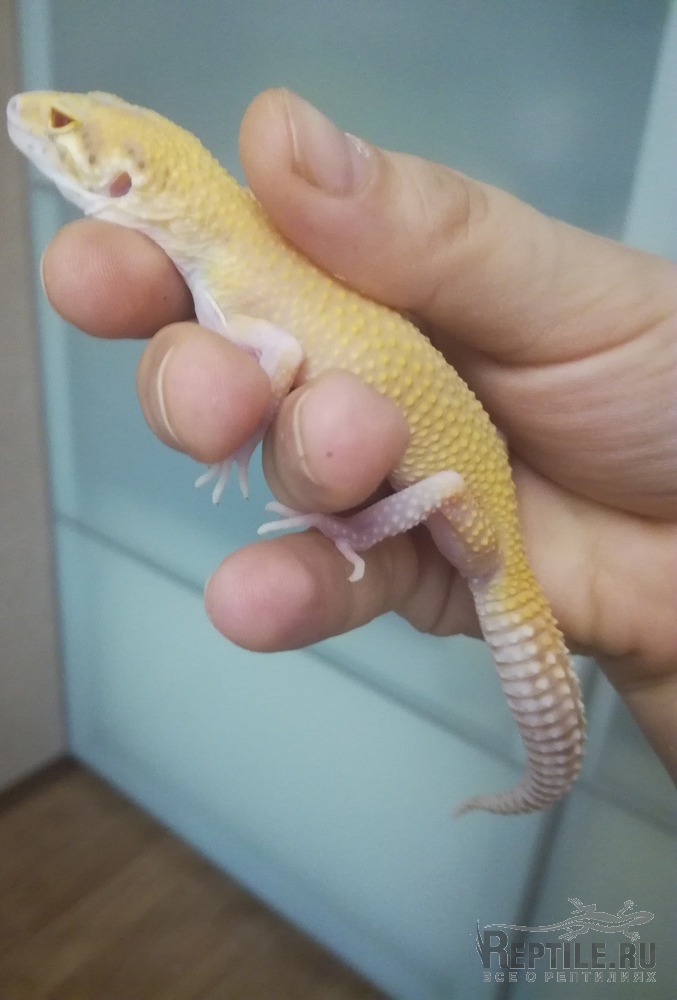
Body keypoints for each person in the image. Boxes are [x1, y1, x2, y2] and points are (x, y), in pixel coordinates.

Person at [40, 90, 677, 780]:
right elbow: (279, 356)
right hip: (480, 482)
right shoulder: (231, 243)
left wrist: (349, 526)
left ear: (123, 180)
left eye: (63, 124)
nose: (36, 119)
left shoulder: (227, 265)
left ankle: (537, 769)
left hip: (477, 516)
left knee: (422, 485)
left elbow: (283, 357)